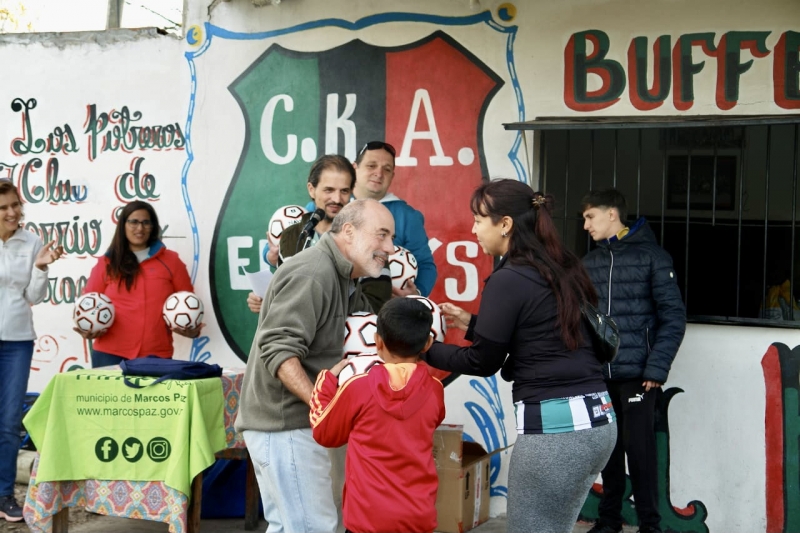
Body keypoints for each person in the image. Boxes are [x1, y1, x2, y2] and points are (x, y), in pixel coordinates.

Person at [422, 179, 617, 533]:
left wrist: (425, 349)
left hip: (556, 432)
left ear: (505, 224)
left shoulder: (509, 278)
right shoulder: (560, 266)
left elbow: (483, 361)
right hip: (598, 421)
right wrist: (472, 323)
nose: (474, 228)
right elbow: (541, 334)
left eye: (479, 219)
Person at [234, 199, 396, 533]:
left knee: (290, 527)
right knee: (314, 528)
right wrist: (322, 407)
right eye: (382, 235)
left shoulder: (345, 277)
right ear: (348, 231)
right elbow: (278, 349)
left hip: (291, 426)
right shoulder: (313, 271)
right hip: (286, 425)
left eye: (390, 238)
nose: (390, 248)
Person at [581, 188, 686, 533]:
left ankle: (650, 525)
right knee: (607, 451)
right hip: (599, 376)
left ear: (612, 214)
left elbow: (673, 317)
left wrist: (656, 368)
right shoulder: (589, 264)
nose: (585, 225)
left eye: (590, 216)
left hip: (640, 376)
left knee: (639, 452)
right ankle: (609, 521)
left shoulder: (654, 257)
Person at [309, 297, 445, 533]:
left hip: (367, 518)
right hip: (417, 517)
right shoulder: (435, 391)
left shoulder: (357, 387)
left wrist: (326, 381)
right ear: (427, 344)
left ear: (377, 341)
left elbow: (324, 433)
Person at [0, 180, 63, 523]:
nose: (12, 212)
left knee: (9, 422)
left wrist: (40, 267)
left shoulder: (31, 241)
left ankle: (4, 494)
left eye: (15, 205)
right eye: (4, 207)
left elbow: (34, 296)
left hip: (18, 342)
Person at [75, 201, 201, 368]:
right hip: (109, 354)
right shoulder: (107, 262)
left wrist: (192, 330)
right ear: (123, 225)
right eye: (133, 222)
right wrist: (87, 329)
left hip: (156, 354)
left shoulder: (171, 261)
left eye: (145, 222)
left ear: (153, 227)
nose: (140, 228)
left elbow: (188, 303)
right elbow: (88, 302)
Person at [305, 141, 437, 297]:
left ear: (392, 176)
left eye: (386, 169)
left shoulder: (408, 216)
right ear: (355, 168)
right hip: (327, 297)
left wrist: (416, 292)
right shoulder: (330, 204)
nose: (379, 174)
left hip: (381, 306)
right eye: (371, 166)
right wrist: (269, 255)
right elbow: (289, 242)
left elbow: (426, 266)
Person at [247, 155, 357, 314]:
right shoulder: (297, 227)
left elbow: (371, 301)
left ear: (352, 191)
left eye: (344, 191)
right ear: (311, 189)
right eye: (329, 190)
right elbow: (287, 284)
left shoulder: (362, 234)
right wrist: (266, 300)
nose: (337, 199)